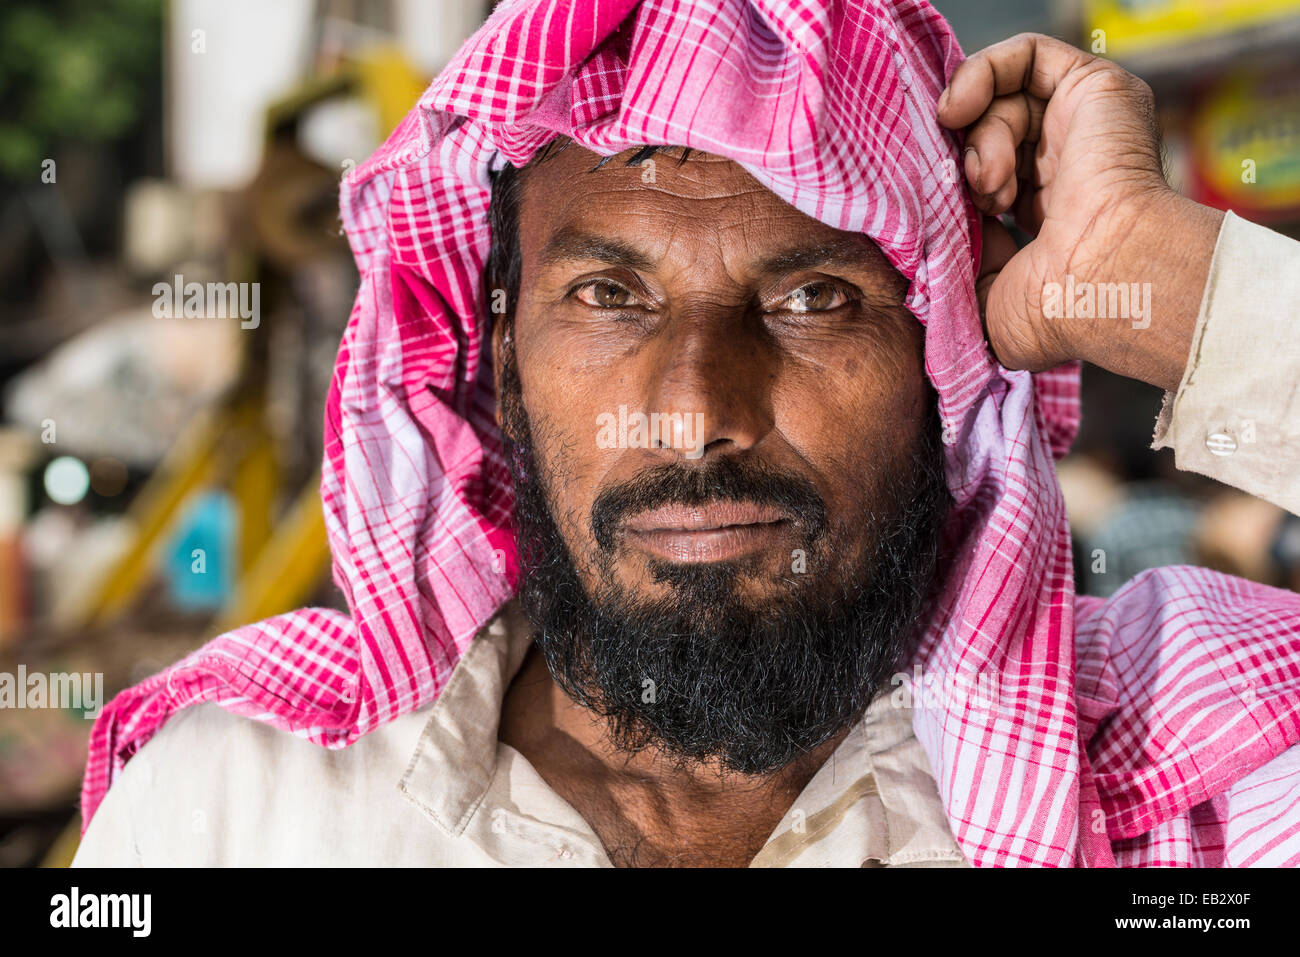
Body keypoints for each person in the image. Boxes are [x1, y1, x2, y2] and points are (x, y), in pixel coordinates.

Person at [73, 1, 1300, 868]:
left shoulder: (1212, 778)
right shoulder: (229, 810)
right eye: (608, 298)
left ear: (940, 366)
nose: (697, 414)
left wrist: (1169, 288)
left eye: (813, 299)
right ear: (499, 364)